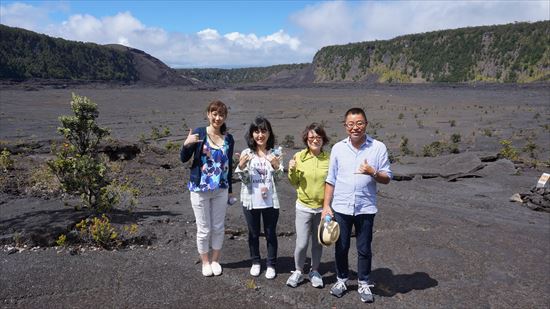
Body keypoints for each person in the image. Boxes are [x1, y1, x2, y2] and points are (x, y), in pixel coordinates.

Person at [322, 107, 392, 303]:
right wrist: (326, 206)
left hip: (365, 208)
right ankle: (342, 279)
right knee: (341, 247)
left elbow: (387, 178)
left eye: (359, 123)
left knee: (364, 248)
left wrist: (373, 172)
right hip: (341, 207)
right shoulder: (337, 148)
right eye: (351, 124)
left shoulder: (378, 148)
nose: (355, 127)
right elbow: (331, 179)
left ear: (366, 124)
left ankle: (364, 282)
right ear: (345, 127)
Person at [180, 100, 234, 277]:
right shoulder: (199, 133)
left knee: (218, 227)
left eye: (221, 114)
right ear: (208, 114)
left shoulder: (229, 138)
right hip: (200, 188)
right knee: (204, 229)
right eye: (214, 113)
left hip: (220, 189)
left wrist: (231, 189)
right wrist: (187, 144)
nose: (217, 118)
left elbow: (229, 165)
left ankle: (216, 260)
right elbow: (184, 158)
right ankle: (205, 262)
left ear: (225, 117)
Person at [235, 116, 283, 280]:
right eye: (256, 131)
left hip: (270, 201)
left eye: (263, 131)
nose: (260, 135)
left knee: (270, 233)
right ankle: (255, 262)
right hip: (251, 200)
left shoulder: (275, 153)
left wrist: (277, 166)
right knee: (253, 233)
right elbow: (245, 180)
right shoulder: (247, 153)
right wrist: (241, 166)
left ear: (269, 133)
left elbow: (278, 179)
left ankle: (271, 264)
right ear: (251, 134)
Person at [286, 123, 330, 288]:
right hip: (303, 207)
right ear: (306, 139)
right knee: (302, 243)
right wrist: (291, 170)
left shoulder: (329, 158)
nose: (315, 140)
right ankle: (298, 271)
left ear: (323, 139)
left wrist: (329, 206)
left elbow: (332, 184)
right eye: (311, 137)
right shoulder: (299, 157)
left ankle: (315, 271)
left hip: (321, 209)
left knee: (318, 243)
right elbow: (294, 182)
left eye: (318, 137)